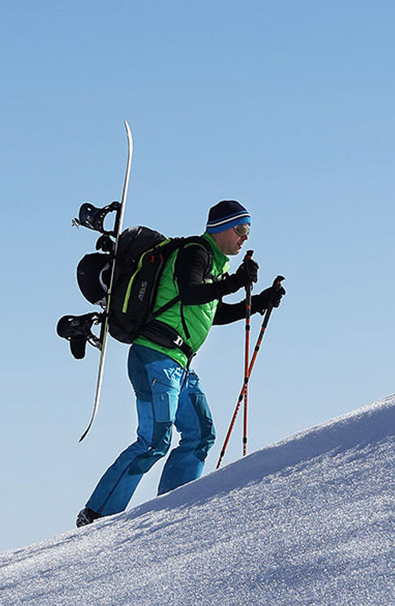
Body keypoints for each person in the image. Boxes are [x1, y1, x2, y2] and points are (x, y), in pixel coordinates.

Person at [78, 199, 287, 527]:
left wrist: (258, 302)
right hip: (154, 358)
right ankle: (96, 515)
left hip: (177, 365)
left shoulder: (218, 265)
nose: (245, 237)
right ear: (220, 228)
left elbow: (210, 311)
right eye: (241, 229)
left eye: (248, 230)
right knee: (153, 441)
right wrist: (236, 283)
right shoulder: (196, 251)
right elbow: (191, 293)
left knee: (201, 434)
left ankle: (173, 510)